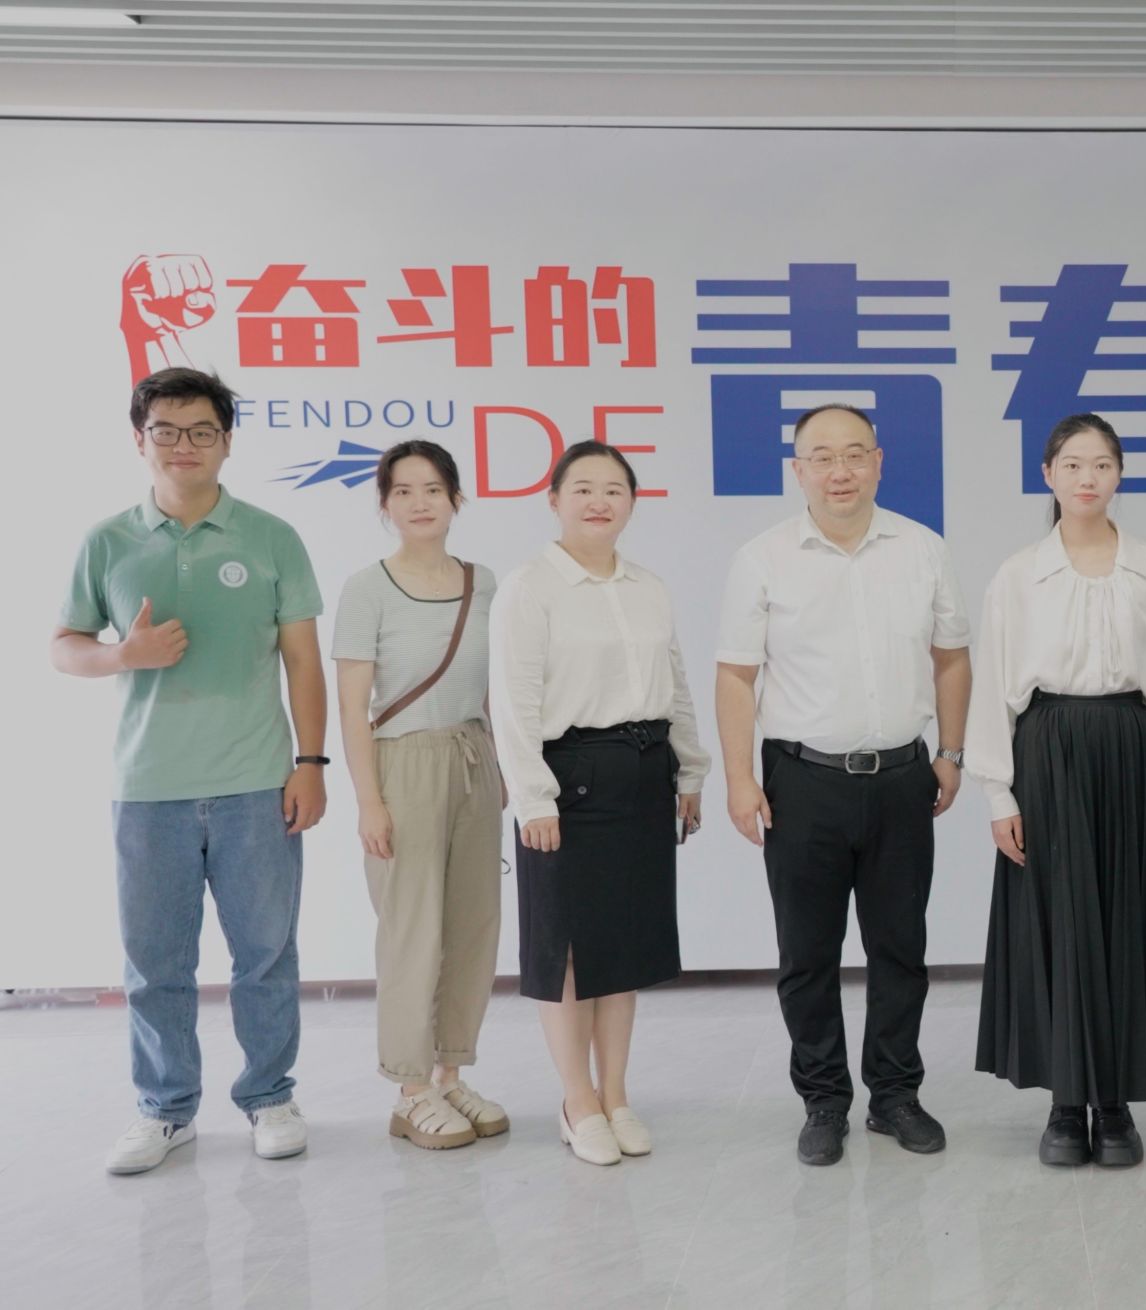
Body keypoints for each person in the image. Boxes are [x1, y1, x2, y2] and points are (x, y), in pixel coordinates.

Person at [55, 367, 328, 1175]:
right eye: (167, 431)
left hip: (256, 782)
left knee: (266, 956)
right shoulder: (107, 541)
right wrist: (122, 656)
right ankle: (165, 1111)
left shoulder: (271, 536)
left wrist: (311, 763)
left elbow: (303, 663)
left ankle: (270, 1096)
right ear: (139, 440)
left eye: (202, 430)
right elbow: (64, 646)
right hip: (148, 789)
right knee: (155, 965)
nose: (184, 445)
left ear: (226, 442)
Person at [714, 404, 972, 1167]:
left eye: (855, 454)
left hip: (902, 777)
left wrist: (951, 751)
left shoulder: (922, 549)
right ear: (798, 470)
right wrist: (739, 778)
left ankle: (895, 1095)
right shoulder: (763, 558)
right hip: (802, 781)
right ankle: (824, 1100)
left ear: (879, 463)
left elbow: (952, 657)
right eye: (822, 457)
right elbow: (736, 675)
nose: (840, 471)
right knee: (807, 954)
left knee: (901, 948)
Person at [965, 414, 1146, 1168]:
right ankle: (1066, 1103)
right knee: (1057, 922)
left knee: (1126, 921)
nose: (1087, 477)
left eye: (1101, 464)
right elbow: (995, 689)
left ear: (1119, 474)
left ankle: (1117, 1102)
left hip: (1129, 747)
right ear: (1049, 475)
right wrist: (999, 794)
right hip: (1047, 747)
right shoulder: (1018, 573)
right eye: (1072, 464)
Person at [490, 441, 710, 1166]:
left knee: (625, 946)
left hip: (645, 770)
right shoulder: (530, 587)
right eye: (582, 487)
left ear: (632, 503)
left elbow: (676, 685)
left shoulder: (648, 586)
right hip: (568, 779)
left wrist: (690, 770)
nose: (598, 501)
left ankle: (616, 1095)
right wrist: (533, 799)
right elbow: (513, 703)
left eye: (614, 489)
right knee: (568, 949)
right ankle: (576, 1100)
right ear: (553, 499)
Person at [333, 440, 507, 1150]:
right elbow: (352, 708)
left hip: (474, 758)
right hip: (402, 763)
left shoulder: (484, 582)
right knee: (411, 931)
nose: (419, 502)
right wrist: (368, 801)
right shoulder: (366, 588)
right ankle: (409, 1090)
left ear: (456, 499)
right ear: (385, 505)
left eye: (433, 488)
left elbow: (495, 687)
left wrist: (501, 770)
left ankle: (449, 1073)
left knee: (472, 926)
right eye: (402, 491)